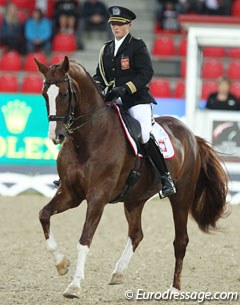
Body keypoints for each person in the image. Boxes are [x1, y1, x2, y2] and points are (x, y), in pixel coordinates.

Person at [93, 6, 176, 198]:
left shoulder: (137, 46)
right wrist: (98, 85)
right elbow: (99, 75)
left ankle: (165, 178)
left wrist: (126, 88)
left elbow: (146, 73)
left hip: (135, 100)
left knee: (145, 135)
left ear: (129, 26)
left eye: (120, 24)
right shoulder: (106, 49)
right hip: (112, 100)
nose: (116, 27)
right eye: (113, 24)